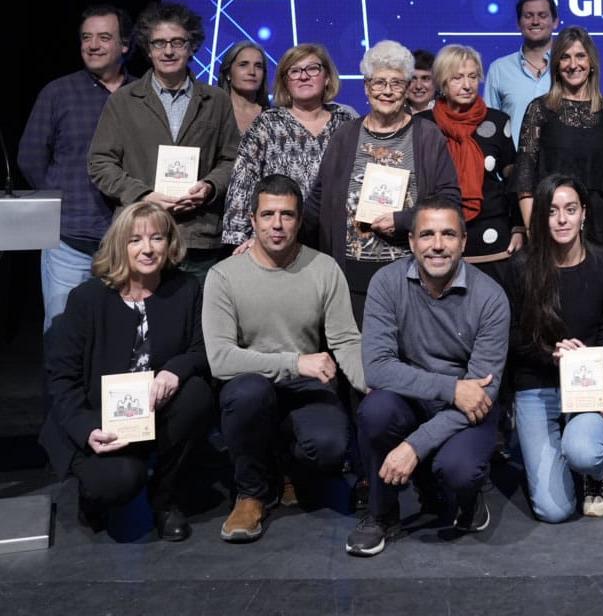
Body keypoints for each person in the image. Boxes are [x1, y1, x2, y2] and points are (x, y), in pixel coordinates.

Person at [202, 174, 366, 542]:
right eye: (268, 214)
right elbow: (221, 359)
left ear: (300, 219)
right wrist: (294, 362)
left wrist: (371, 382)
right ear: (252, 219)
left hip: (304, 386)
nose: (277, 224)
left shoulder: (323, 268)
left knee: (328, 447)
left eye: (287, 215)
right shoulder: (224, 276)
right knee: (249, 395)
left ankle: (288, 468)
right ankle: (251, 493)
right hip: (251, 384)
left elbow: (345, 340)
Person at [40, 201, 214, 542]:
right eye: (135, 240)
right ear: (121, 245)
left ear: (170, 243)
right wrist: (87, 428)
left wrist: (173, 371)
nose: (147, 248)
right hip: (99, 419)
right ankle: (93, 494)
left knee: (196, 393)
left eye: (157, 238)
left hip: (154, 411)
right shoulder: (87, 299)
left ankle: (165, 500)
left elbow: (201, 349)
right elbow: (62, 378)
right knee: (116, 483)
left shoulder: (185, 290)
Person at [347, 197, 510, 556]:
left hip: (469, 411)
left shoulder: (491, 298)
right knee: (375, 411)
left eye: (448, 234)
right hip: (415, 399)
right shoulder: (386, 284)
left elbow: (481, 394)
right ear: (411, 242)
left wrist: (412, 447)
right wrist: (451, 388)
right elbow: (376, 367)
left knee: (459, 469)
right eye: (427, 235)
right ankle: (381, 513)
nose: (437, 245)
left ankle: (468, 501)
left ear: (464, 242)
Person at [303, 39, 460, 325]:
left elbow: (449, 201)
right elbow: (318, 201)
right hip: (348, 276)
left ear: (408, 88)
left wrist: (404, 220)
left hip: (408, 273)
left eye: (397, 83)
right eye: (379, 83)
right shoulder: (344, 135)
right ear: (366, 87)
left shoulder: (427, 136)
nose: (387, 91)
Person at [88, 1, 240, 280]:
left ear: (191, 46)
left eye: (177, 42)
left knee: (195, 323)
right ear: (147, 49)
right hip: (139, 235)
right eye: (159, 43)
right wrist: (143, 195)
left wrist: (208, 186)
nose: (168, 50)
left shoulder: (216, 100)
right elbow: (100, 162)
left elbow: (232, 159)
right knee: (139, 322)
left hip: (197, 236)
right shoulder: (123, 100)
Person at [506, 176, 603, 522]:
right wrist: (551, 354)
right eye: (552, 211)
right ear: (540, 216)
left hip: (588, 385)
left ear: (584, 214)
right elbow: (511, 337)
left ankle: (596, 472)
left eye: (570, 210)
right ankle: (560, 460)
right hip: (537, 383)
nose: (562, 219)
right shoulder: (522, 266)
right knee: (553, 511)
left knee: (584, 452)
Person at [18, 4, 133, 330]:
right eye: (86, 37)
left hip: (129, 241)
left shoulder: (141, 94)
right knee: (63, 330)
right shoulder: (58, 92)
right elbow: (30, 158)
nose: (93, 45)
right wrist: (65, 201)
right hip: (70, 239)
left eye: (104, 37)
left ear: (124, 44)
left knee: (121, 337)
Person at [221, 43, 357, 249]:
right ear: (285, 82)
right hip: (280, 239)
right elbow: (243, 182)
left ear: (327, 77)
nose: (304, 76)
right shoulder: (267, 123)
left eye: (312, 69)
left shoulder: (346, 122)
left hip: (339, 237)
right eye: (294, 71)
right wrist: (240, 239)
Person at [418, 44, 522, 277]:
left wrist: (518, 227)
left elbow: (513, 179)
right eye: (457, 78)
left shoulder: (497, 122)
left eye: (473, 77)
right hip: (439, 237)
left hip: (493, 235)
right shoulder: (423, 125)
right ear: (443, 82)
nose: (467, 85)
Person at [515, 26, 603, 244]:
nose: (573, 65)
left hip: (601, 226)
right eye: (565, 57)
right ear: (556, 65)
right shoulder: (540, 109)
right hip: (553, 223)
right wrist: (533, 230)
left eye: (580, 56)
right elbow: (525, 176)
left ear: (591, 63)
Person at [483, 0, 559, 144]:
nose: (535, 21)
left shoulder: (570, 68)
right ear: (519, 23)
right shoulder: (499, 69)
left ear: (555, 22)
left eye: (542, 15)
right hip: (514, 166)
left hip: (561, 166)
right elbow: (489, 127)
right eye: (528, 16)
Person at [217, 40, 270, 135]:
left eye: (258, 66)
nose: (252, 72)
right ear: (228, 73)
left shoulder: (273, 118)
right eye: (243, 65)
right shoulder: (213, 112)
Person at [406, 49, 436, 113]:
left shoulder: (447, 114)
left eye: (425, 78)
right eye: (413, 79)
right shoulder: (393, 115)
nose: (418, 86)